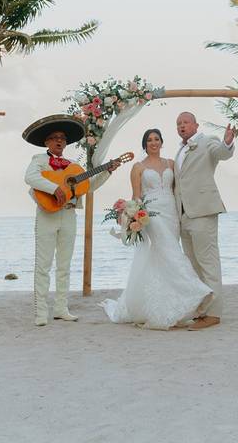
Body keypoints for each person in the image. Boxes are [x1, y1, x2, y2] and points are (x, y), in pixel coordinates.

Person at [102, 129, 213, 329]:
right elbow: (136, 195)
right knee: (170, 252)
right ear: (144, 144)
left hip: (171, 212)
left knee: (163, 256)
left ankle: (166, 302)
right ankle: (195, 289)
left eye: (157, 139)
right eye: (149, 140)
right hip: (151, 215)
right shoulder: (138, 167)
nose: (153, 142)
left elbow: (177, 189)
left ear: (162, 142)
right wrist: (133, 215)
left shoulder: (171, 163)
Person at [23, 114, 121, 326]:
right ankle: (41, 311)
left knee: (64, 265)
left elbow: (89, 186)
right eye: (55, 137)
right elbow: (30, 178)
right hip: (47, 214)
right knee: (43, 265)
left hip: (68, 214)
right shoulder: (38, 161)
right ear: (47, 142)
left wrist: (107, 172)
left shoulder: (73, 166)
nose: (59, 141)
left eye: (63, 138)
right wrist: (54, 187)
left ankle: (60, 308)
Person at [173, 112, 236, 330]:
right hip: (184, 215)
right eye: (178, 123)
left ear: (195, 125)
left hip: (203, 211)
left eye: (185, 122)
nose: (182, 126)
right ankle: (202, 311)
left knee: (208, 264)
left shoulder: (207, 141)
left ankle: (214, 313)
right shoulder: (179, 150)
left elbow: (221, 153)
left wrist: (227, 142)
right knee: (194, 267)